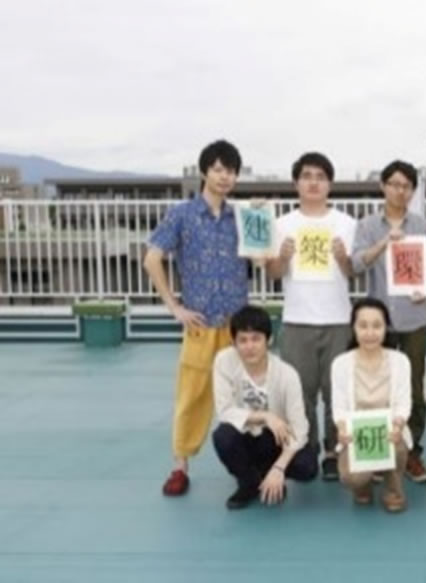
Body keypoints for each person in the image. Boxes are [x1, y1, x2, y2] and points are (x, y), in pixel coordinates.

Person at [143, 139, 250, 496]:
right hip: (200, 322)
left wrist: (263, 226)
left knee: (245, 395)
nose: (224, 177)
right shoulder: (182, 214)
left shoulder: (242, 218)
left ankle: (247, 465)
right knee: (191, 395)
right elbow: (152, 259)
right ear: (205, 171)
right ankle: (180, 466)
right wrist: (174, 307)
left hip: (238, 325)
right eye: (218, 169)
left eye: (231, 171)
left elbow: (261, 257)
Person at [266, 152, 356, 482]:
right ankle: (305, 446)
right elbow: (274, 273)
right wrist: (282, 258)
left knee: (337, 391)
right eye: (307, 176)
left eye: (320, 176)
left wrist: (343, 258)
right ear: (296, 183)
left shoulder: (346, 223)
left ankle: (334, 450)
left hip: (338, 319)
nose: (313, 182)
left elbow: (353, 272)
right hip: (297, 319)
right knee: (299, 390)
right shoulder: (282, 224)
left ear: (330, 184)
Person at [351, 160, 426, 483]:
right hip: (379, 319)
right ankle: (378, 452)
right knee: (376, 386)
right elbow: (357, 264)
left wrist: (424, 289)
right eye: (395, 184)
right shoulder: (368, 226)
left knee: (413, 386)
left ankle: (411, 452)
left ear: (413, 191)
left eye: (407, 186)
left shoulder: (424, 227)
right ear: (383, 186)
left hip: (414, 315)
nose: (400, 191)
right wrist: (386, 242)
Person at [212, 305, 317, 509]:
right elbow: (224, 411)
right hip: (245, 435)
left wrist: (279, 468)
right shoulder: (224, 361)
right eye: (243, 340)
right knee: (223, 436)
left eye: (256, 339)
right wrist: (266, 416)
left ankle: (270, 475)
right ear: (233, 342)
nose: (249, 346)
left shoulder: (287, 374)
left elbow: (300, 429)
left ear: (269, 340)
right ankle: (249, 483)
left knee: (307, 466)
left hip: (275, 439)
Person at [331, 298, 412, 513]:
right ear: (353, 328)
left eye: (377, 326)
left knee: (397, 446)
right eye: (363, 326)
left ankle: (393, 490)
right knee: (351, 477)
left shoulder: (400, 361)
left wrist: (398, 425)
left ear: (386, 328)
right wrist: (342, 428)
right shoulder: (341, 363)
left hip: (389, 431)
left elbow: (404, 402)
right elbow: (339, 407)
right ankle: (363, 485)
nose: (370, 333)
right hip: (356, 436)